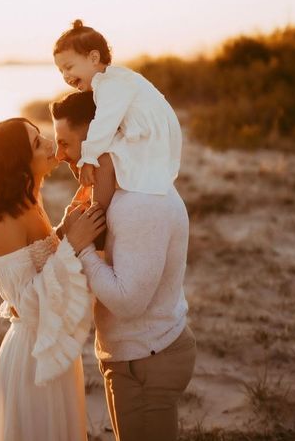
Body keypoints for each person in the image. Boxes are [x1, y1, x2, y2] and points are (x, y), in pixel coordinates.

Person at [51, 92, 196, 441]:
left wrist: (81, 249)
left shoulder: (139, 203)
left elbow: (128, 302)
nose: (59, 155)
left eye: (65, 143)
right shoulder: (116, 189)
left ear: (96, 138)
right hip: (129, 356)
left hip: (149, 360)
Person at [0, 117, 106, 441]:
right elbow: (29, 305)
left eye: (42, 135)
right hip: (33, 358)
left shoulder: (30, 202)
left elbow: (39, 261)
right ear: (17, 163)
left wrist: (61, 230)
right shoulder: (3, 221)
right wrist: (73, 244)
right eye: (37, 143)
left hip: (51, 348)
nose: (51, 144)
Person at [53, 19, 182, 196]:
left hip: (149, 137)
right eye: (61, 71)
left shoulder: (109, 84)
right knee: (109, 153)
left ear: (93, 58)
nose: (65, 76)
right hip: (151, 133)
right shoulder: (116, 79)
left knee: (104, 160)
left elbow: (104, 123)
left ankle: (98, 209)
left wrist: (88, 158)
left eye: (69, 67)